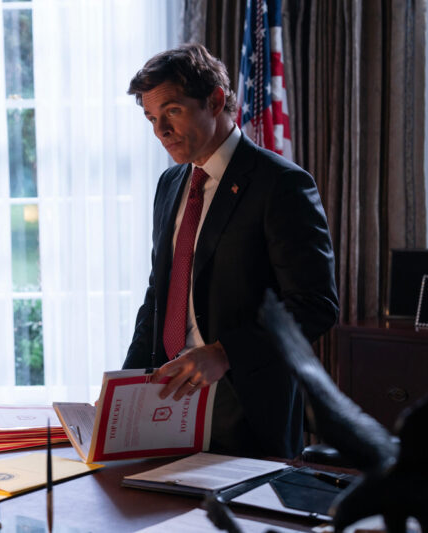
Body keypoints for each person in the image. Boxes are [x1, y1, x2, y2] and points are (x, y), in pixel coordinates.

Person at [123, 44, 339, 458]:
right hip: (167, 403)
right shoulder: (169, 185)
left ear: (215, 101)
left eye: (171, 111)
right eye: (151, 118)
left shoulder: (281, 184)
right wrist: (126, 388)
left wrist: (224, 353)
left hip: (247, 411)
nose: (160, 131)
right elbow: (159, 298)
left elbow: (316, 306)